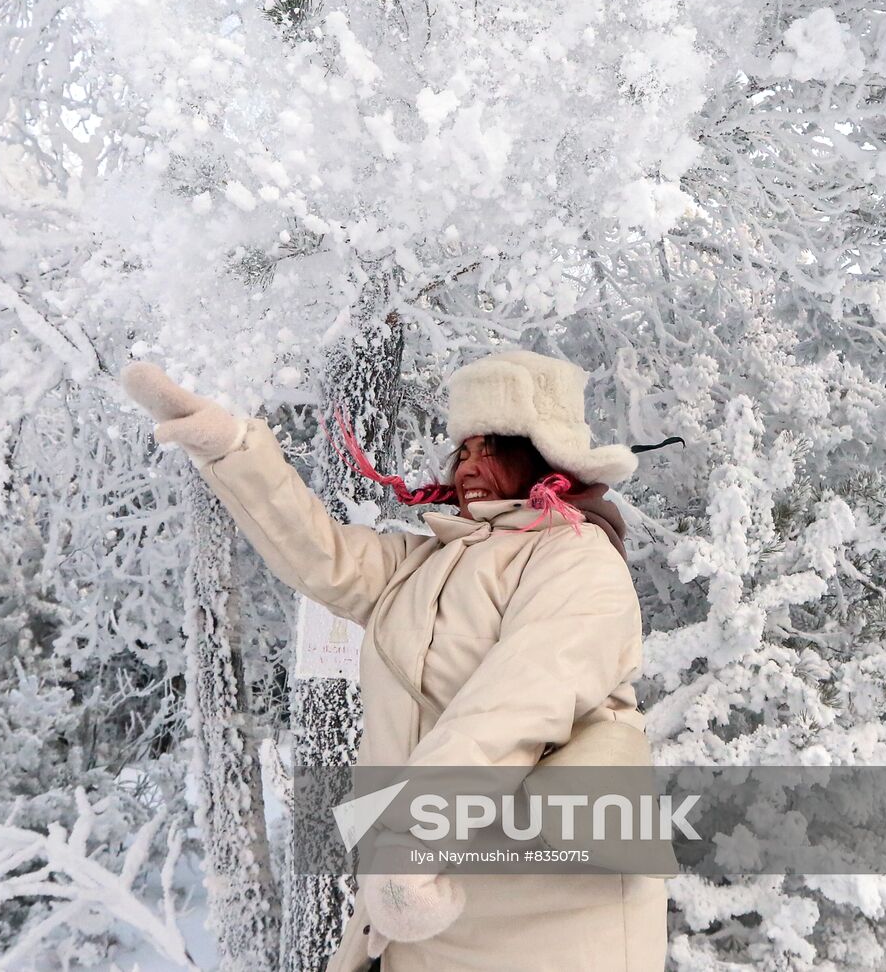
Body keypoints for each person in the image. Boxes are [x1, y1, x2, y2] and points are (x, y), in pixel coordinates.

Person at [120, 349, 670, 972]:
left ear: (542, 455)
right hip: (430, 898)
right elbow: (320, 553)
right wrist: (232, 449)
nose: (468, 464)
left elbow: (517, 705)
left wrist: (414, 836)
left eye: (491, 447)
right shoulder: (425, 564)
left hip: (549, 912)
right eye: (461, 450)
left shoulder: (576, 556)